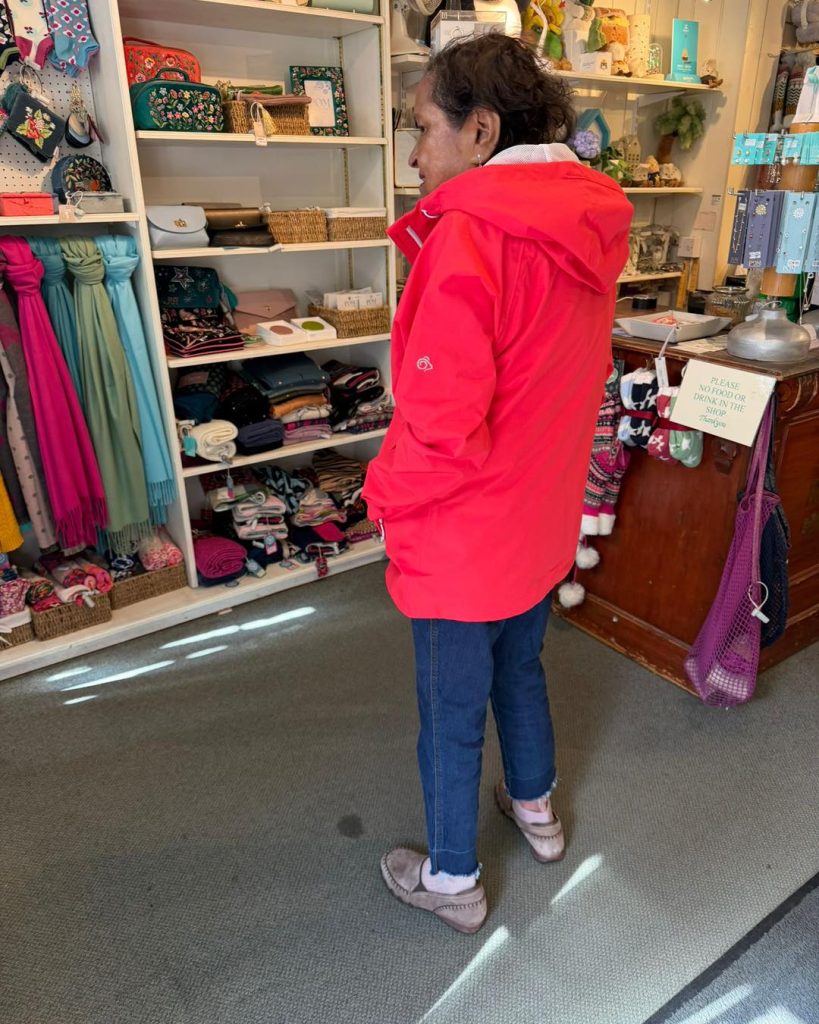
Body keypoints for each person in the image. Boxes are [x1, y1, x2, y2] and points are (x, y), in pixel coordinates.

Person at [362, 34, 632, 935]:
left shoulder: (473, 235)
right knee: (520, 669)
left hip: (464, 530)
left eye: (421, 129)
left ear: (480, 132)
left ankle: (452, 882)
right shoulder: (586, 224)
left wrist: (385, 498)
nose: (412, 153)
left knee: (449, 710)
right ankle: (538, 814)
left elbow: (438, 424)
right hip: (537, 515)